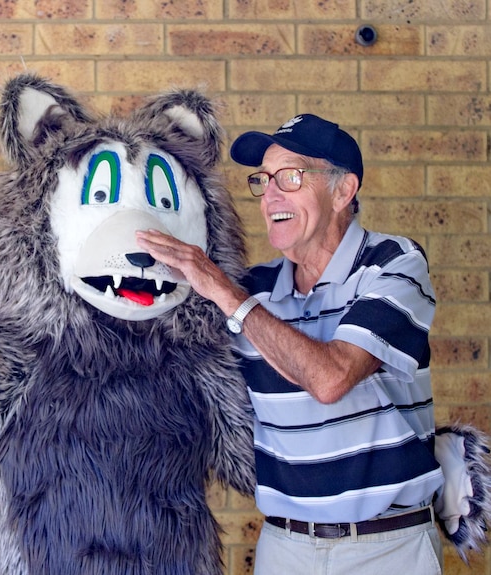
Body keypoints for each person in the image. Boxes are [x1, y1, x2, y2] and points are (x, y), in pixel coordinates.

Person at [137, 114, 444, 575]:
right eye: (264, 180)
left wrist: (226, 295)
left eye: (292, 177)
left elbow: (331, 378)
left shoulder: (392, 264)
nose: (271, 195)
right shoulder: (253, 288)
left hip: (387, 549)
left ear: (344, 191)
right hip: (286, 548)